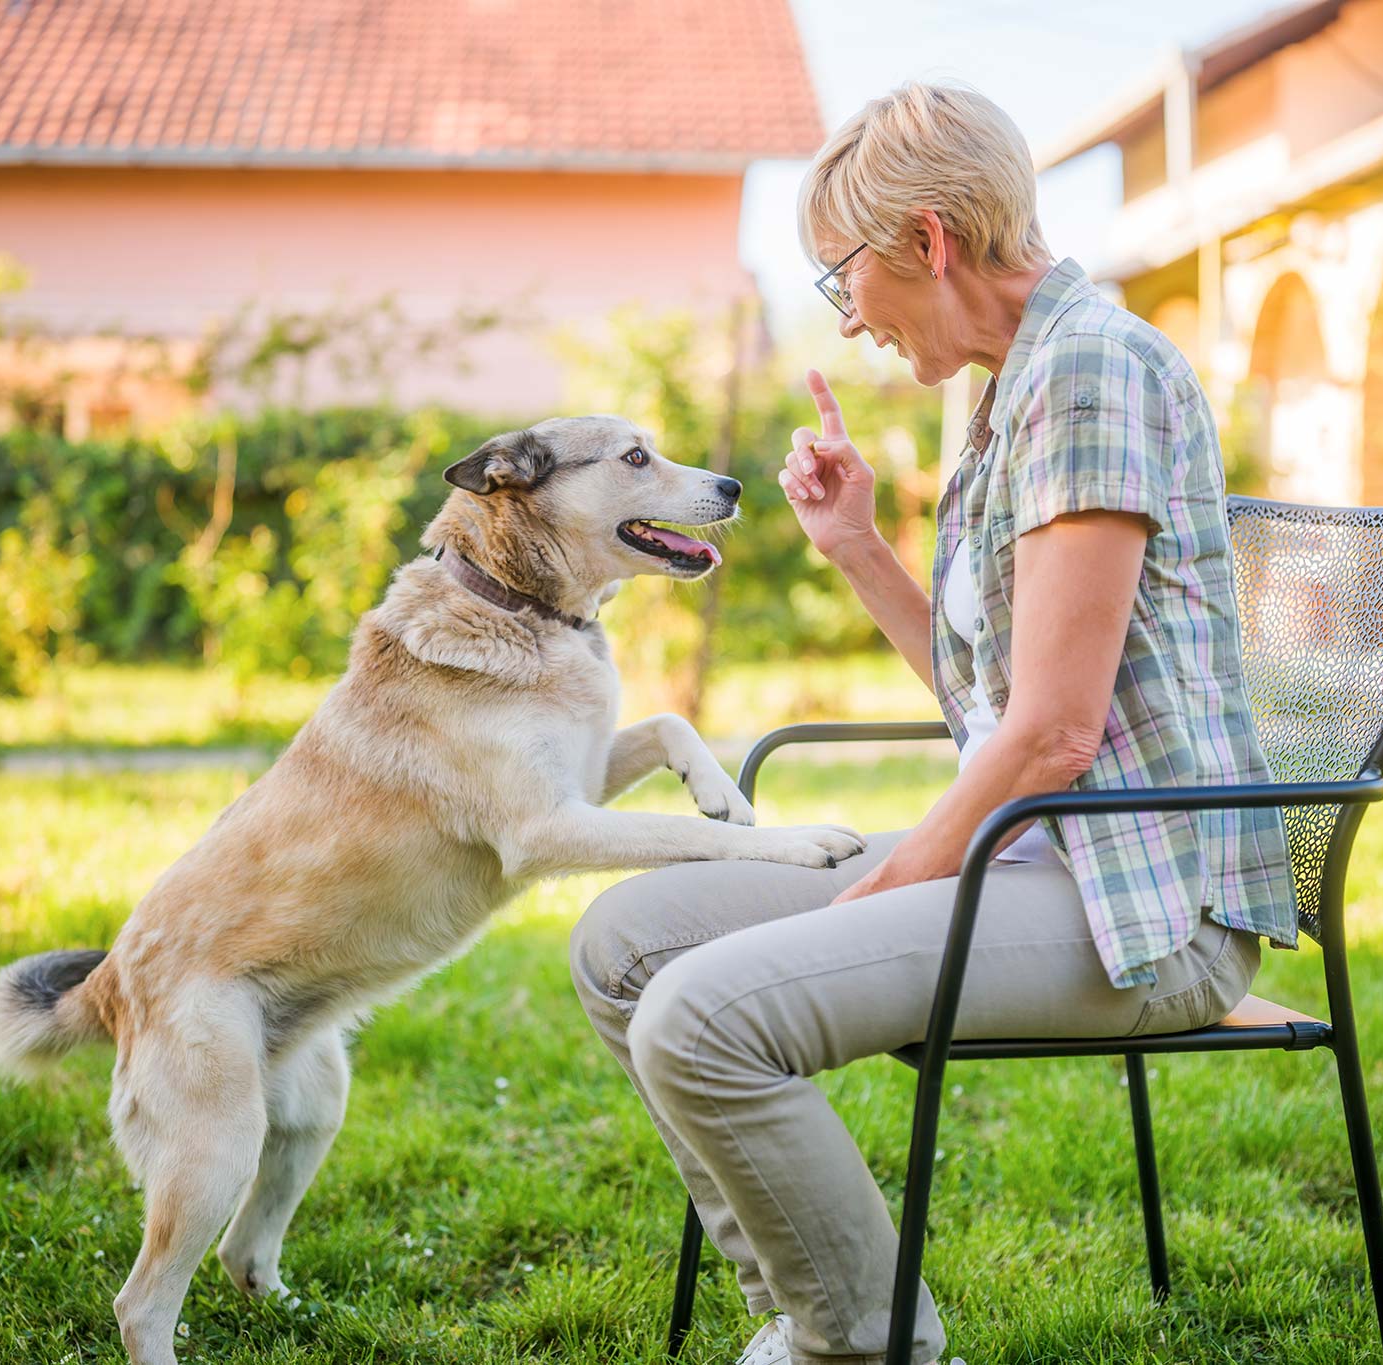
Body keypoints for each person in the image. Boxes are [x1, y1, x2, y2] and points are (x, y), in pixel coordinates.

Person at [569, 81, 1295, 1365]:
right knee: (625, 944)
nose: (844, 317)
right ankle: (812, 1319)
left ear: (930, 238)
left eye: (839, 275)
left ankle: (865, 1345)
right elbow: (995, 707)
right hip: (1043, 857)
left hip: (1142, 911)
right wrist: (854, 549)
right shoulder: (1015, 384)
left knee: (700, 1019)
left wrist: (896, 877)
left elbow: (1055, 739)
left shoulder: (1087, 371)